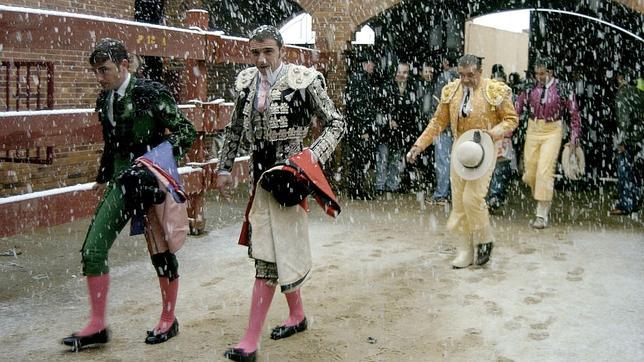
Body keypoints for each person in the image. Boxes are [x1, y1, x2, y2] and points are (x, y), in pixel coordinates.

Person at [215, 25, 345, 362]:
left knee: (267, 256)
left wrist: (311, 157)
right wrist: (225, 167)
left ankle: (250, 340)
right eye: (255, 52)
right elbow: (233, 129)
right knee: (277, 247)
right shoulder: (246, 83)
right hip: (261, 176)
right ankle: (297, 315)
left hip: (289, 177)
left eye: (267, 52)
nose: (260, 59)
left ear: (281, 50)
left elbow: (335, 123)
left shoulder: (303, 79)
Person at [62, 38, 196, 350]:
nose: (100, 77)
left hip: (150, 180)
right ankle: (97, 325)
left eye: (104, 70)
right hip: (122, 182)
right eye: (96, 71)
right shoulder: (104, 100)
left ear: (124, 65)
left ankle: (168, 317)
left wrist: (151, 164)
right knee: (93, 250)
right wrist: (103, 177)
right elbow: (112, 144)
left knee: (161, 252)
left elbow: (185, 132)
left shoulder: (150, 93)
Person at [407, 54, 518, 268]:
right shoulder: (451, 91)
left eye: (470, 75)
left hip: (485, 147)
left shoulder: (494, 90)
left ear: (480, 72)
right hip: (461, 149)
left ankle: (484, 239)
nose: (465, 80)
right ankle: (465, 250)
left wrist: (495, 132)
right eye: (462, 75)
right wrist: (418, 145)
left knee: (472, 198)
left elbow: (511, 119)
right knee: (459, 202)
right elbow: (438, 122)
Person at [514, 57, 582, 229]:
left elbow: (574, 115)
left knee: (545, 170)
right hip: (533, 128)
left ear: (551, 72)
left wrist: (574, 138)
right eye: (536, 73)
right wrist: (505, 133)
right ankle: (542, 194)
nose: (539, 77)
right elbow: (515, 111)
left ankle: (541, 213)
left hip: (553, 130)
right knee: (529, 172)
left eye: (542, 73)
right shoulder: (529, 87)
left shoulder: (563, 88)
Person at [344, 52, 380, 199]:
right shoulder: (359, 80)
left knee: (359, 160)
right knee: (358, 160)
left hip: (358, 127)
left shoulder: (360, 79)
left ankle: (357, 189)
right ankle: (356, 190)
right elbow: (358, 107)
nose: (374, 66)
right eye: (372, 63)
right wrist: (363, 129)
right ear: (365, 64)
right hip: (359, 128)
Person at [376, 62, 416, 194]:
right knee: (383, 158)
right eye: (399, 72)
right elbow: (379, 108)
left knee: (397, 160)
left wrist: (403, 124)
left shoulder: (411, 89)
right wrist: (388, 120)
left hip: (402, 133)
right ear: (395, 73)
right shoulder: (386, 87)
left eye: (405, 72)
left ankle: (392, 185)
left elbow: (412, 111)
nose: (402, 75)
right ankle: (380, 186)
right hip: (386, 132)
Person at [610, 70, 643, 215]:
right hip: (639, 138)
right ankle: (635, 199)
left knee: (624, 171)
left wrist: (622, 141)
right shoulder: (638, 93)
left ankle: (626, 204)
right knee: (635, 172)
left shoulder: (622, 95)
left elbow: (624, 120)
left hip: (629, 138)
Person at [428, 55, 459, 204]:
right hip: (459, 129)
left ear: (446, 62)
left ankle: (441, 194)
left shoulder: (444, 79)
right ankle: (455, 194)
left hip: (443, 128)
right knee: (457, 162)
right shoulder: (463, 79)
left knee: (442, 162)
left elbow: (436, 104)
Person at [486, 64, 516, 213]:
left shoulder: (510, 96)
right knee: (487, 169)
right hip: (488, 136)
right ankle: (489, 197)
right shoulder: (485, 96)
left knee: (501, 169)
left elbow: (513, 118)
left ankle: (496, 197)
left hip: (504, 137)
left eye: (501, 82)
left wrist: (506, 134)